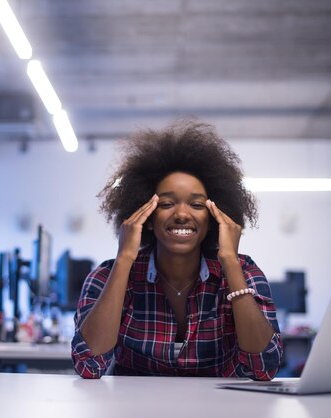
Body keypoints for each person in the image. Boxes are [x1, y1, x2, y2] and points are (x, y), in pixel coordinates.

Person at [71, 120, 283, 380]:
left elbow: (265, 366)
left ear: (214, 216)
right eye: (167, 203)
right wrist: (125, 257)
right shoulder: (107, 276)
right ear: (146, 215)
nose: (182, 214)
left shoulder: (244, 272)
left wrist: (230, 261)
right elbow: (88, 365)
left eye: (196, 205)